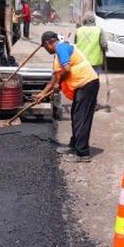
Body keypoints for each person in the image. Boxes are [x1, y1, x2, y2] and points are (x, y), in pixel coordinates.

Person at [40, 30, 100, 162]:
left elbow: (66, 69)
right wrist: (42, 94)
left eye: (45, 47)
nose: (46, 50)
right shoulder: (60, 50)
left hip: (87, 84)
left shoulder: (61, 48)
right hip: (82, 86)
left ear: (48, 43)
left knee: (81, 118)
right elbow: (54, 78)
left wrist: (59, 83)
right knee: (75, 115)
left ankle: (82, 154)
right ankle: (74, 145)